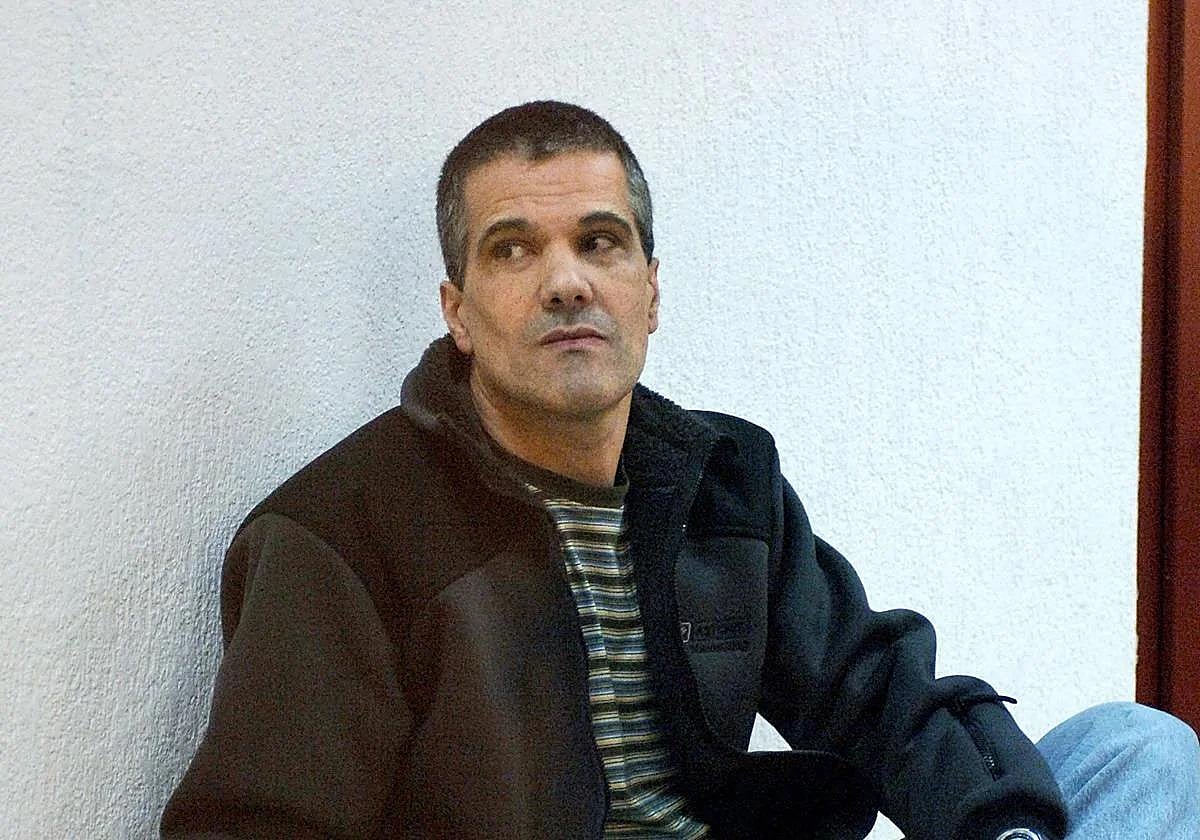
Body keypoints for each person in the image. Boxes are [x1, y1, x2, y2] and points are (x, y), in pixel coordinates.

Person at [161, 101, 1200, 840]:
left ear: (650, 292)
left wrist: (1003, 828)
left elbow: (871, 690)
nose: (566, 281)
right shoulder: (339, 532)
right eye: (513, 250)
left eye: (599, 242)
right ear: (457, 312)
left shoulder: (719, 478)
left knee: (1137, 749)